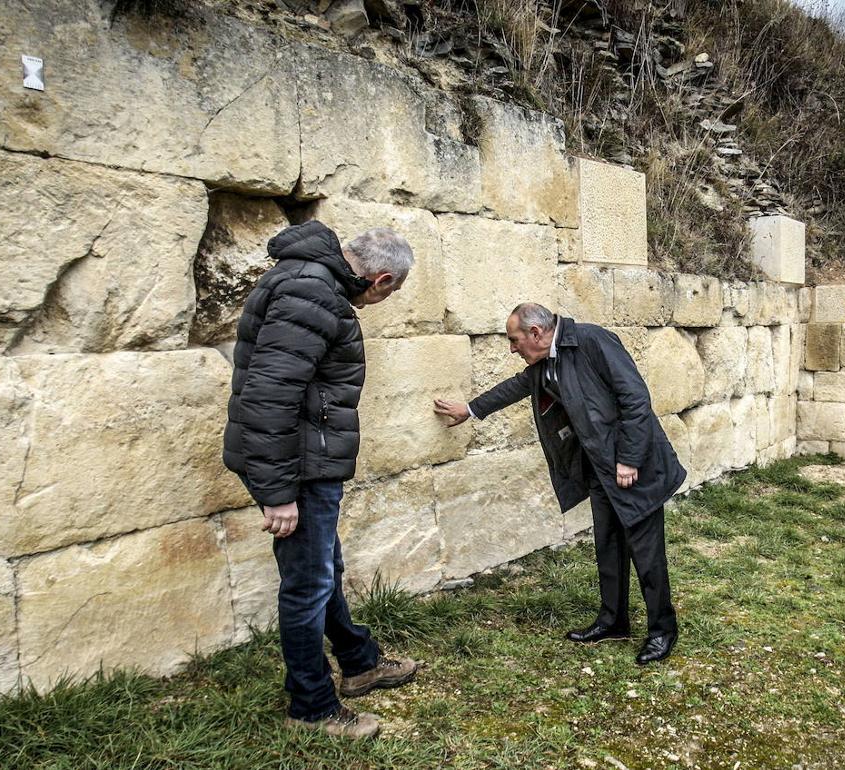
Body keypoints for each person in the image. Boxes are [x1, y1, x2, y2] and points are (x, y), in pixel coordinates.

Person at [223, 220, 418, 738]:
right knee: (307, 584)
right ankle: (311, 708)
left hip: (305, 460)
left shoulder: (311, 281)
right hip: (298, 468)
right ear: (379, 280)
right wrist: (278, 494)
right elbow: (269, 394)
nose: (383, 300)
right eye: (390, 292)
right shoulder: (314, 291)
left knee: (323, 566)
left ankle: (359, 662)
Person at [433, 303, 685, 664]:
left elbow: (635, 399)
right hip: (599, 471)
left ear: (536, 333)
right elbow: (516, 387)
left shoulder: (592, 340)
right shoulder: (543, 363)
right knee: (608, 549)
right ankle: (613, 621)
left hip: (635, 467)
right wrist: (470, 409)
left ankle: (662, 631)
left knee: (647, 556)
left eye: (514, 340)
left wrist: (628, 459)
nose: (512, 348)